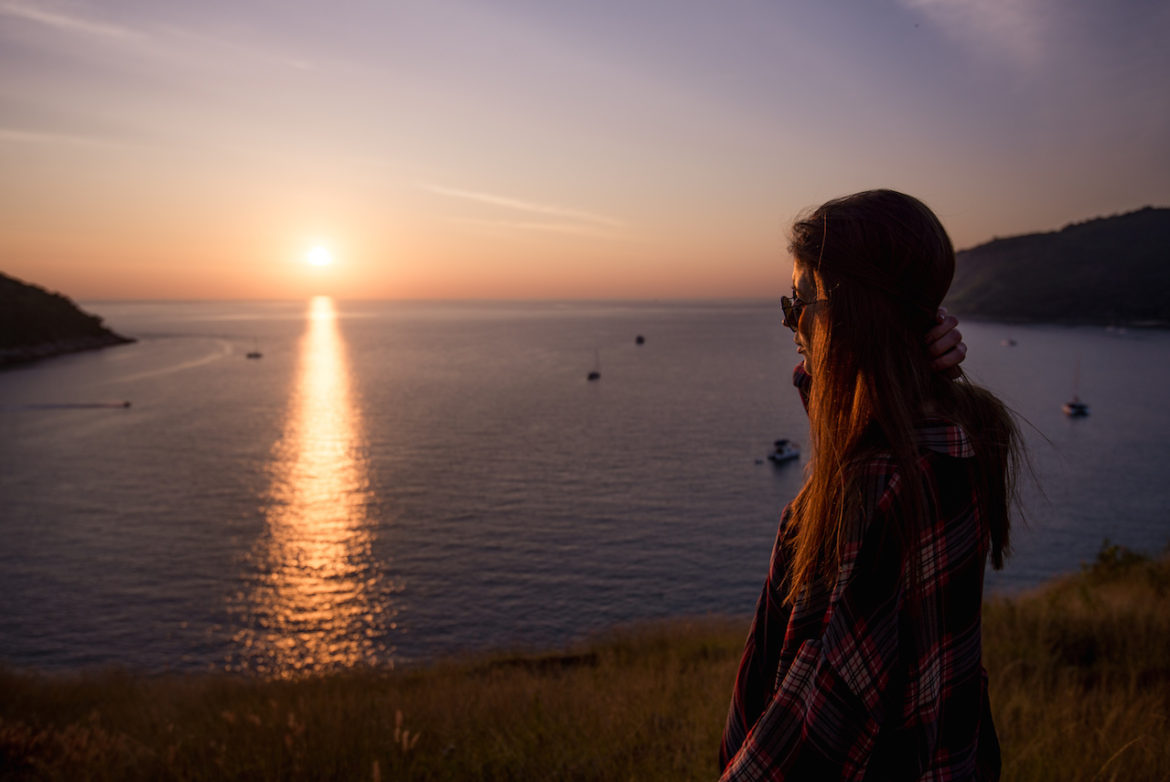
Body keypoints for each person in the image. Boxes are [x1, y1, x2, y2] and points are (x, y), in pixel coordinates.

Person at [718, 190, 1019, 781]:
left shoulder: (878, 487)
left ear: (852, 311)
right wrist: (903, 370)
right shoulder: (957, 438)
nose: (792, 326)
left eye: (800, 302)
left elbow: (824, 728)